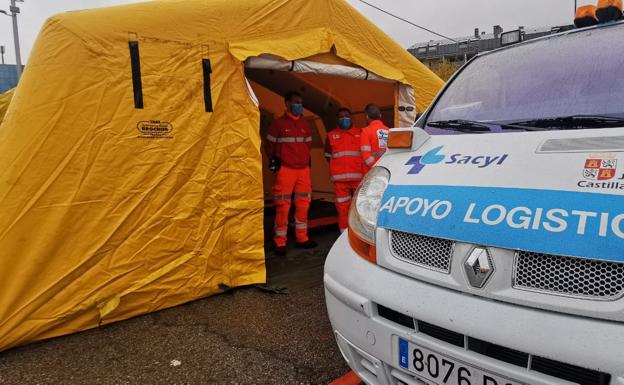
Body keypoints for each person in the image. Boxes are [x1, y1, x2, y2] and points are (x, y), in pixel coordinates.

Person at [265, 91, 317, 256]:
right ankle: (280, 242)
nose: (299, 105)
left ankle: (302, 238)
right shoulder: (277, 124)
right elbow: (269, 146)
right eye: (296, 102)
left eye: (300, 102)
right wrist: (276, 162)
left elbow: (308, 147)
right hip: (285, 170)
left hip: (303, 171)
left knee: (303, 205)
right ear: (287, 103)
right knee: (282, 207)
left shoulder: (305, 125)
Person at [324, 108, 363, 232]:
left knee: (360, 208)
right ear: (337, 119)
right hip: (340, 181)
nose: (344, 118)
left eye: (347, 116)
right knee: (342, 209)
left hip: (359, 179)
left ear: (352, 117)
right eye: (341, 116)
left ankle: (360, 234)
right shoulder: (330, 136)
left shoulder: (361, 133)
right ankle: (343, 234)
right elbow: (327, 156)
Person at [361, 104, 390, 171]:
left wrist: (376, 167)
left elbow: (366, 156)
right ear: (380, 115)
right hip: (387, 169)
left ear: (367, 116)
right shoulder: (389, 131)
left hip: (372, 172)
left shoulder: (365, 131)